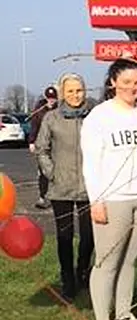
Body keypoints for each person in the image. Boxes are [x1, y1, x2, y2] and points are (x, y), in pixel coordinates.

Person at [81, 58, 137, 320]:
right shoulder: (99, 117)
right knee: (107, 262)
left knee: (130, 260)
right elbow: (91, 163)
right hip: (113, 199)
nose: (132, 88)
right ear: (113, 82)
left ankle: (125, 314)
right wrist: (97, 200)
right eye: (126, 82)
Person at [34, 73, 95, 300]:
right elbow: (42, 149)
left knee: (88, 236)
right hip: (61, 187)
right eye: (70, 91)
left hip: (89, 187)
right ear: (62, 93)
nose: (75, 95)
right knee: (65, 236)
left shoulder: (94, 115)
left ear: (85, 91)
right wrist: (52, 173)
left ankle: (83, 270)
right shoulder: (52, 118)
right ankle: (67, 277)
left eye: (78, 90)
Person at [29, 86, 59, 209]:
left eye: (53, 98)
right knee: (43, 172)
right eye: (49, 98)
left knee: (57, 171)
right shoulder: (39, 110)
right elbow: (34, 125)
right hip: (42, 144)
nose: (51, 101)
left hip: (57, 144)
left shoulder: (60, 109)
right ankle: (43, 197)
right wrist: (32, 141)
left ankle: (57, 196)